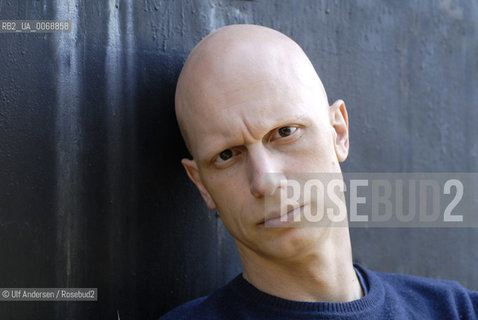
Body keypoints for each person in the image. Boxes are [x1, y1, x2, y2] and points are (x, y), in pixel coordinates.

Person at [160, 24, 478, 319]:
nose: (265, 181)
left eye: (285, 132)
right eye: (227, 155)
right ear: (201, 185)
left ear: (338, 132)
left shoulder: (460, 311)